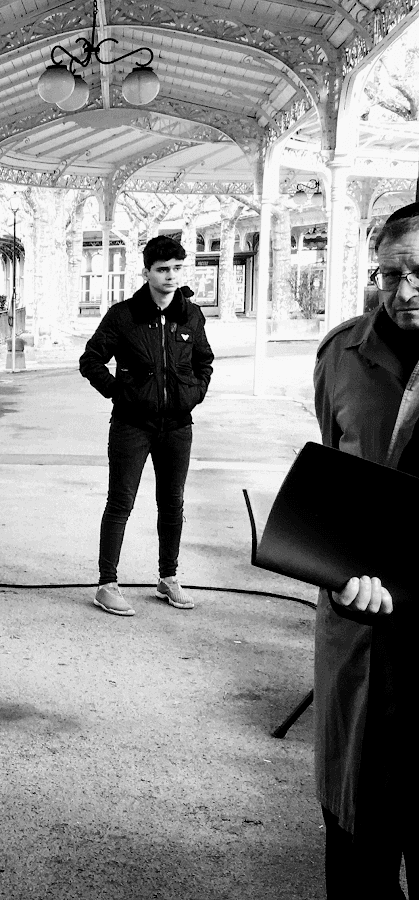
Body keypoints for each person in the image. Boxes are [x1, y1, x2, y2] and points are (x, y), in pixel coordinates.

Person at [311, 200, 419, 899]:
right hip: (358, 638)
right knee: (356, 848)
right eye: (389, 276)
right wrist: (334, 560)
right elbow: (335, 477)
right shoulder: (341, 355)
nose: (404, 293)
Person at [78, 234, 213, 616]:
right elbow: (90, 360)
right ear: (147, 272)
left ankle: (168, 578)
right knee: (120, 501)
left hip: (177, 425)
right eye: (162, 270)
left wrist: (193, 394)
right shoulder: (124, 315)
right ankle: (107, 583)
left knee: (173, 502)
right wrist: (120, 393)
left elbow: (204, 361)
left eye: (175, 269)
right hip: (131, 424)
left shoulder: (191, 315)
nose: (170, 276)